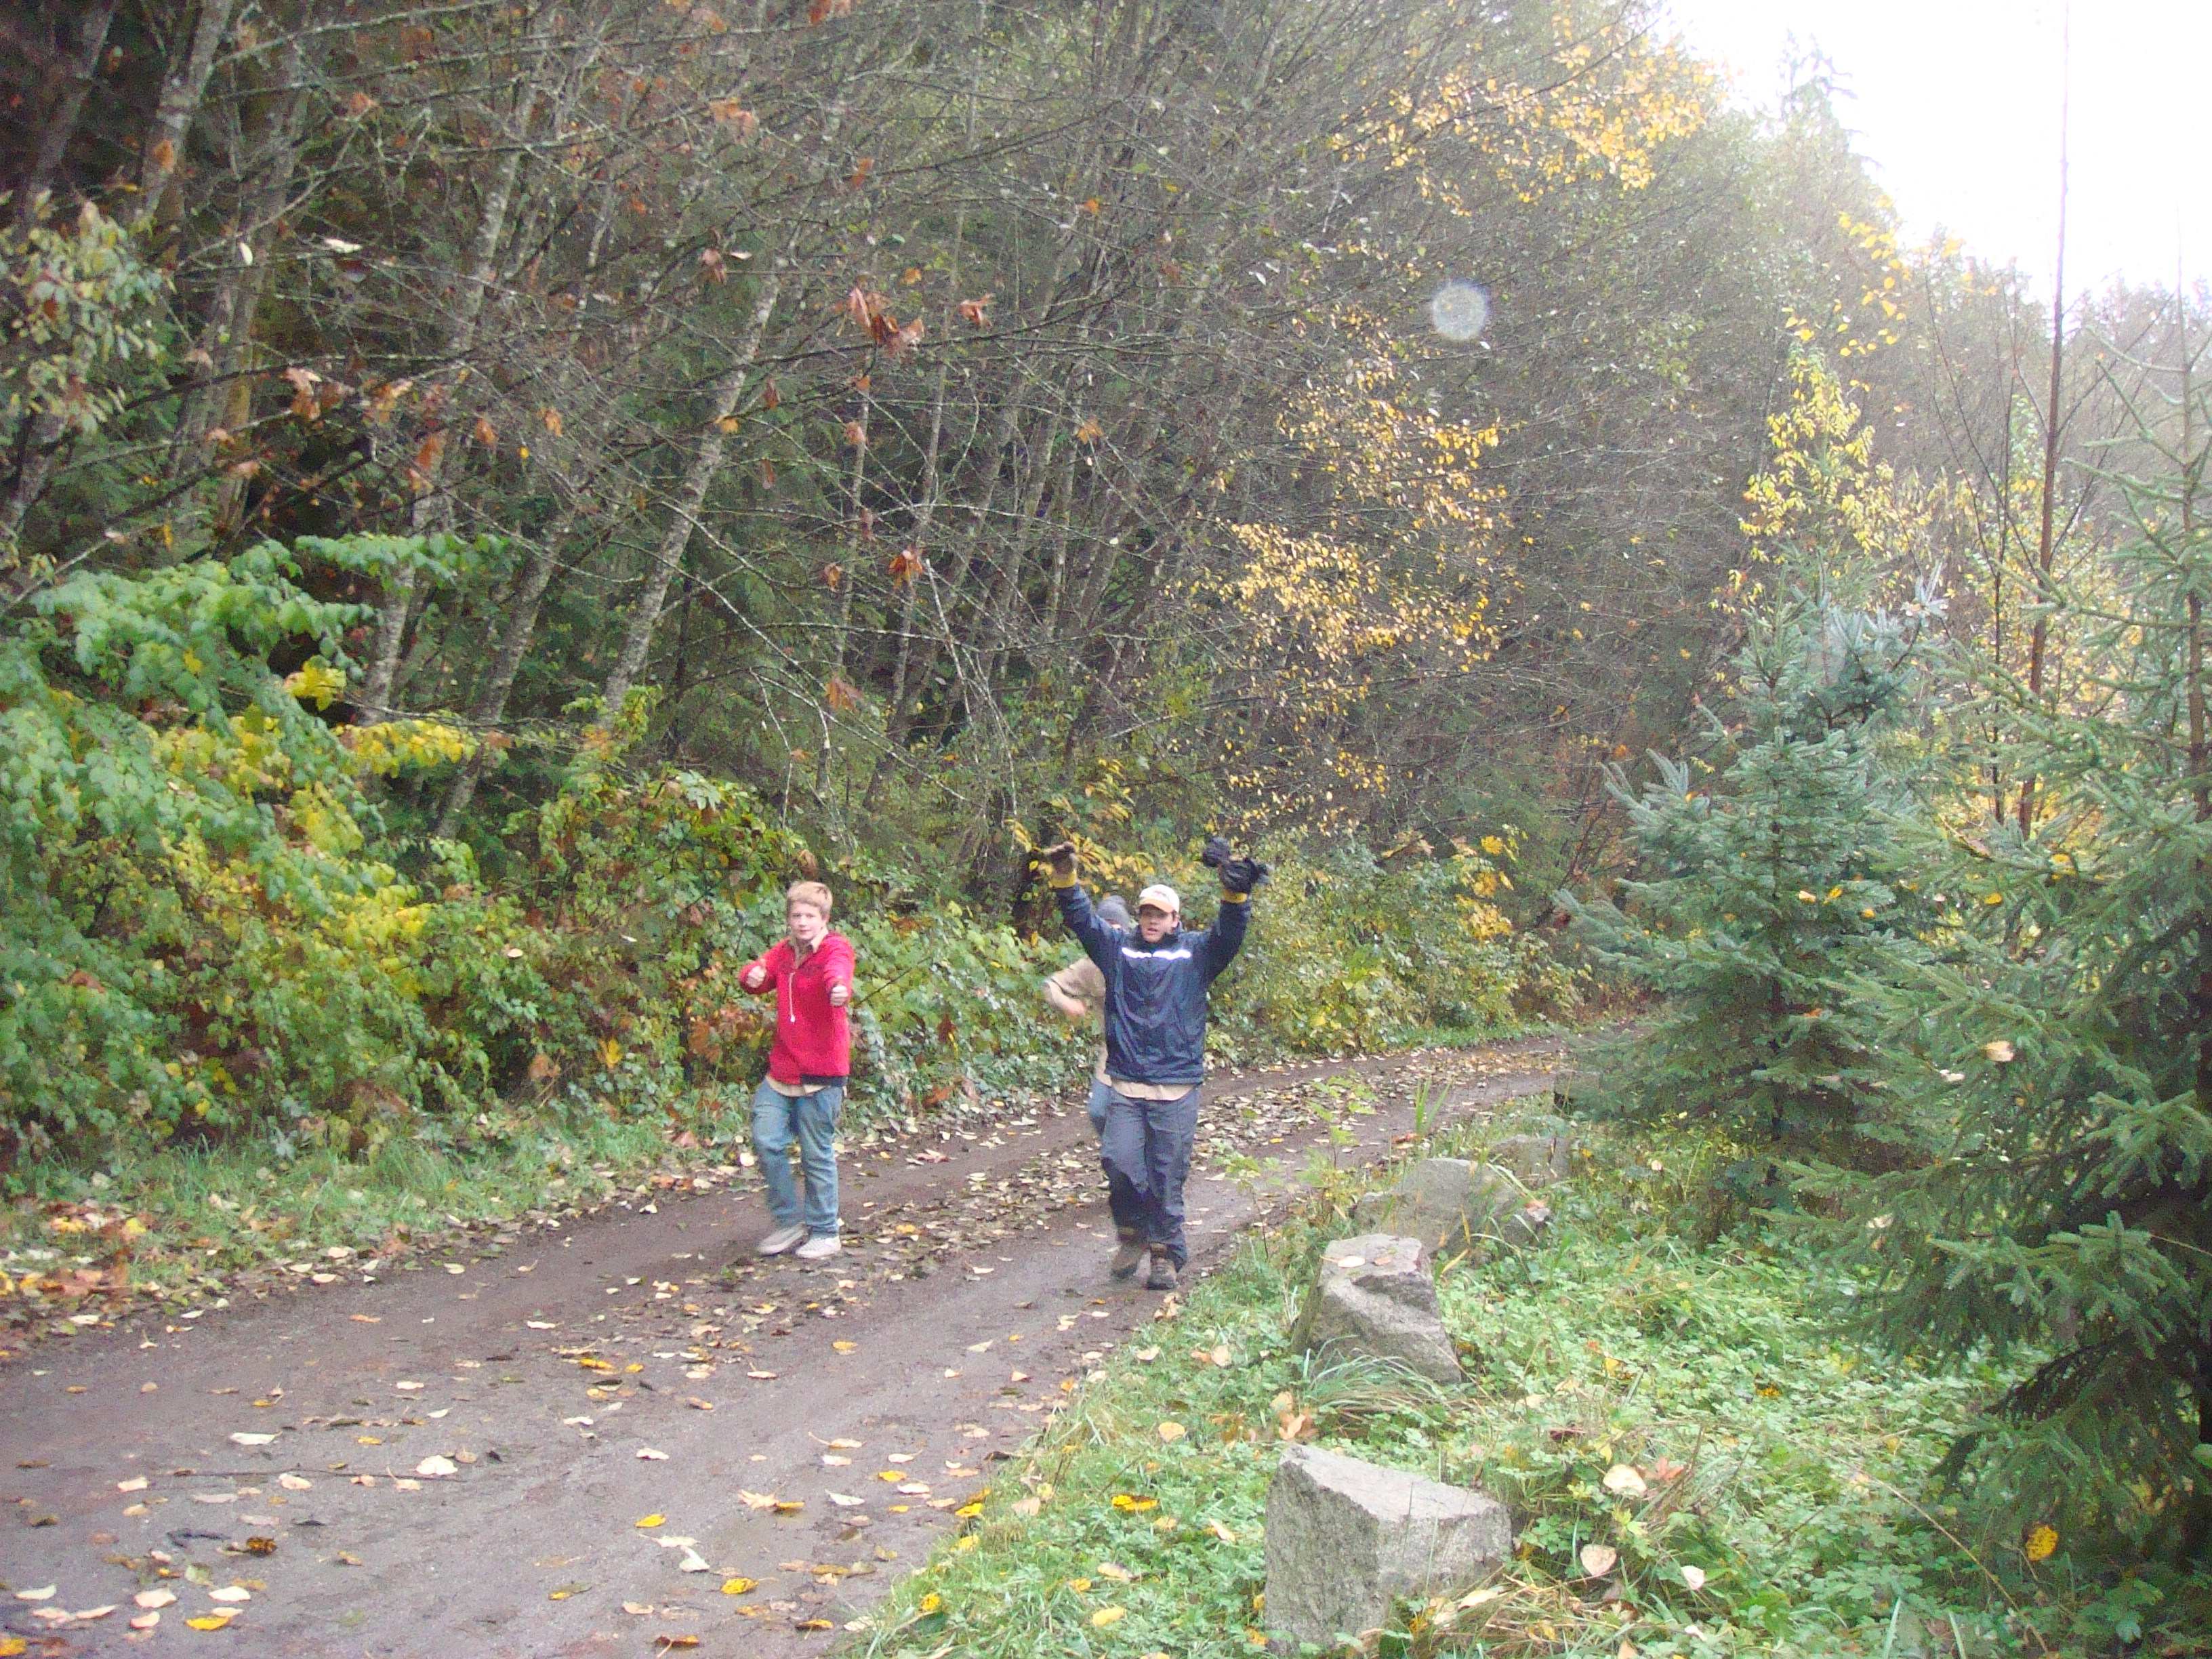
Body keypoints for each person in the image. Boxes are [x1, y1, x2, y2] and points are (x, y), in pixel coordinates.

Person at [1041, 837, 1267, 1291]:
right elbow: (1083, 921)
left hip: (1175, 1088)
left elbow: (1229, 935)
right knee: (1119, 1163)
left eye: (1160, 914)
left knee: (1166, 1176)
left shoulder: (1195, 955)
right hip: (1126, 1085)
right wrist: (1066, 878)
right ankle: (1132, 1234)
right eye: (1145, 912)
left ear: (1175, 920)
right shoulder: (1117, 951)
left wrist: (1236, 895)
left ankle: (1165, 1256)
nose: (1151, 920)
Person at [739, 880, 855, 1262]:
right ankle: (789, 1222)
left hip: (822, 1073)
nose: (803, 922)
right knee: (766, 1139)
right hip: (783, 1069)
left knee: (815, 1154)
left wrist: (838, 988)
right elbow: (760, 972)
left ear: (824, 918)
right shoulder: (785, 951)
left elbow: (838, 971)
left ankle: (825, 1231)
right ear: (789, 918)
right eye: (796, 916)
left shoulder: (835, 948)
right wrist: (751, 975)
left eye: (810, 916)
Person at [1042, 894, 1132, 1138]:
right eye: (1105, 927)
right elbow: (1051, 986)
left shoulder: (1141, 959)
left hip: (1148, 1053)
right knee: (1099, 1111)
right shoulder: (1090, 967)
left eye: (1116, 928)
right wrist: (1067, 1003)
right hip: (1113, 1051)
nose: (1111, 934)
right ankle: (1115, 1152)